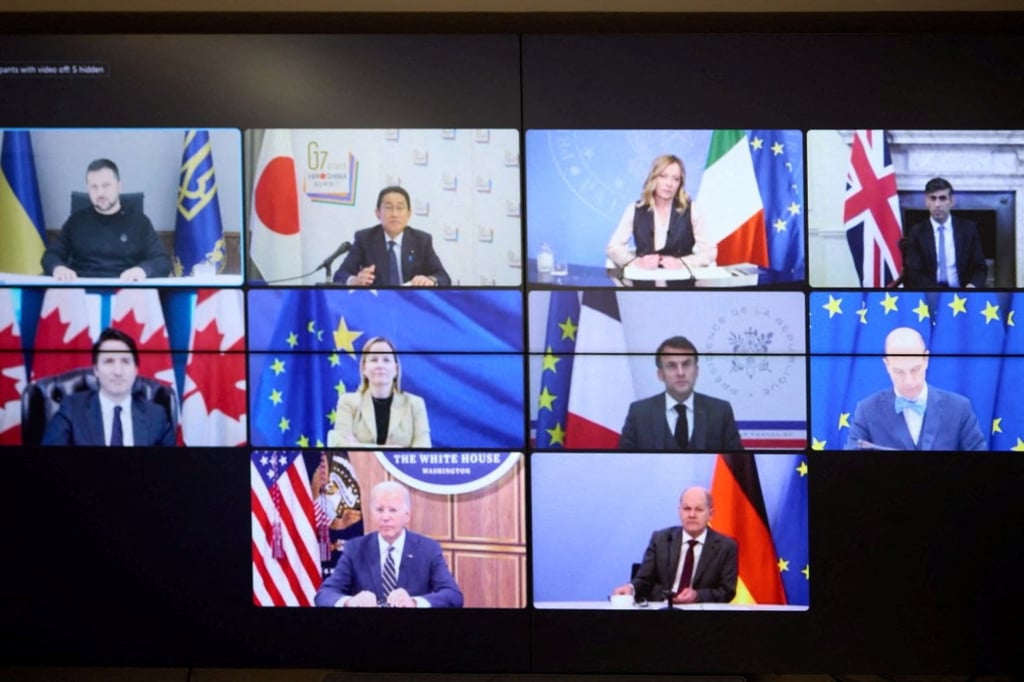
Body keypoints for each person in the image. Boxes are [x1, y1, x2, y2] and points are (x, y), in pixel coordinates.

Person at [314, 480, 463, 608]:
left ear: (407, 516)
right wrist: (350, 601)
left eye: (393, 510)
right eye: (379, 510)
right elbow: (324, 594)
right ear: (372, 513)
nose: (385, 517)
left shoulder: (428, 549)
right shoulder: (355, 548)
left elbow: (453, 595)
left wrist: (414, 602)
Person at [846, 326, 986, 451]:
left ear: (926, 359)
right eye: (899, 371)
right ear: (886, 365)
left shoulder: (960, 409)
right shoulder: (866, 411)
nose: (909, 381)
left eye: (915, 369)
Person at [41, 158, 173, 281]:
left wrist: (143, 270)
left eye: (106, 186)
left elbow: (162, 261)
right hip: (83, 290)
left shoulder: (139, 222)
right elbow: (50, 256)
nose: (100, 193)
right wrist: (58, 267)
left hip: (127, 290)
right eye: (94, 187)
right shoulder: (76, 221)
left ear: (119, 187)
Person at [41, 327, 176, 447]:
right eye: (109, 361)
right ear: (96, 370)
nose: (118, 371)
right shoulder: (72, 409)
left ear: (136, 370)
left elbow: (169, 469)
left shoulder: (157, 416)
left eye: (125, 361)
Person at [612, 486, 737, 604]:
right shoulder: (660, 539)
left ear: (711, 514)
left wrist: (697, 596)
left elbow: (727, 591)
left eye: (699, 509)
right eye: (687, 509)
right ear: (679, 511)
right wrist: (630, 588)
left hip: (702, 616)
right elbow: (644, 579)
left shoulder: (726, 547)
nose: (692, 515)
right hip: (662, 612)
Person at [618, 336, 743, 451]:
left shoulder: (720, 411)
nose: (681, 373)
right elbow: (625, 462)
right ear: (661, 374)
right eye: (672, 366)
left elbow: (736, 462)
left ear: (696, 371)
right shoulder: (639, 413)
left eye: (686, 364)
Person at [605, 154, 717, 273]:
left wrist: (682, 263)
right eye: (663, 176)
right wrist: (636, 262)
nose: (669, 184)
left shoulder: (693, 210)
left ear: (680, 184)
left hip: (681, 281)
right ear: (653, 178)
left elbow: (710, 252)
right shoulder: (634, 209)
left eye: (676, 179)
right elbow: (613, 248)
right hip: (643, 281)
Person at [335, 186, 451, 287]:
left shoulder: (422, 240)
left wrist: (430, 280)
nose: (395, 214)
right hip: (377, 305)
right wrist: (354, 280)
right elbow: (340, 275)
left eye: (400, 208)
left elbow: (443, 277)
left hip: (411, 305)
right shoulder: (365, 239)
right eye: (389, 207)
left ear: (408, 214)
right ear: (378, 213)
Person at [330, 336, 431, 448]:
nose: (380, 365)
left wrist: (359, 446)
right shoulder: (347, 403)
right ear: (364, 368)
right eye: (374, 360)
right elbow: (340, 447)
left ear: (396, 369)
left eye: (386, 360)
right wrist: (397, 450)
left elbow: (423, 451)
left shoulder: (415, 404)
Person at [901, 177, 986, 289]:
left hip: (962, 294)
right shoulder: (917, 232)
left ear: (951, 201)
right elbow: (914, 273)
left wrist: (972, 286)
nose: (937, 204)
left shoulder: (968, 229)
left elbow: (980, 268)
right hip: (929, 294)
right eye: (933, 198)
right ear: (926, 201)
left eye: (942, 198)